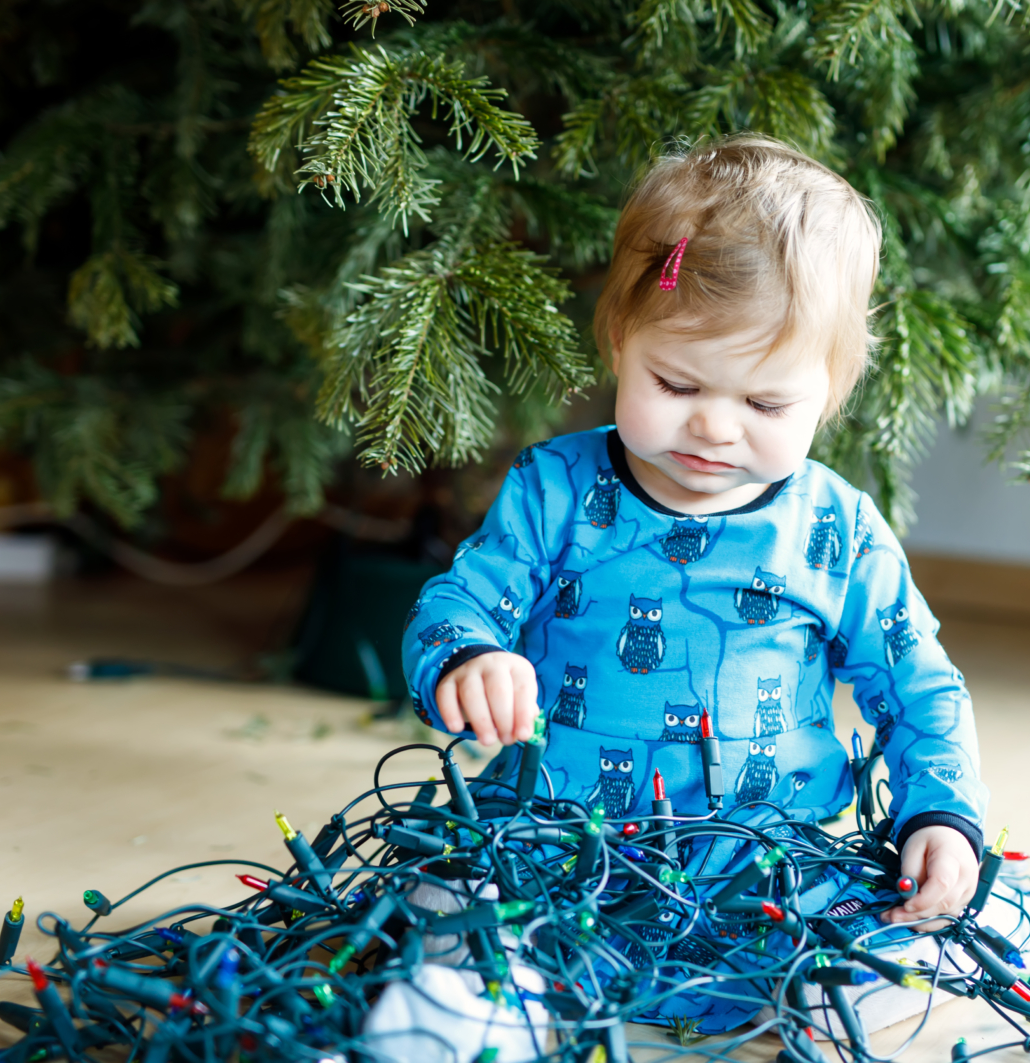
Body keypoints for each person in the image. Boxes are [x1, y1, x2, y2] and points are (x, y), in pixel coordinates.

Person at [401, 135, 992, 1025]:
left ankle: (824, 993)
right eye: (675, 382)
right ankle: (484, 998)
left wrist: (940, 818)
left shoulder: (835, 529)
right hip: (557, 844)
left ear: (829, 393)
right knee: (444, 908)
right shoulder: (556, 490)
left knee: (863, 950)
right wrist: (469, 657)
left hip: (764, 857)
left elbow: (918, 685)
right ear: (618, 344)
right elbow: (458, 601)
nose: (714, 427)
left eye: (765, 404)